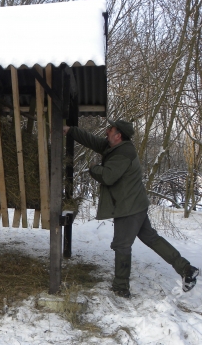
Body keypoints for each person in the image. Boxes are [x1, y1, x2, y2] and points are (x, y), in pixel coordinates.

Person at [63, 120, 199, 298]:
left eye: (110, 129)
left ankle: (121, 287)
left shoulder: (123, 153)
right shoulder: (115, 147)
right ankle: (186, 268)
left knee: (121, 245)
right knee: (151, 238)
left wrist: (94, 168)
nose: (107, 131)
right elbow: (92, 140)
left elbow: (108, 176)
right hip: (135, 204)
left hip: (129, 207)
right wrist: (70, 130)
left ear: (118, 135)